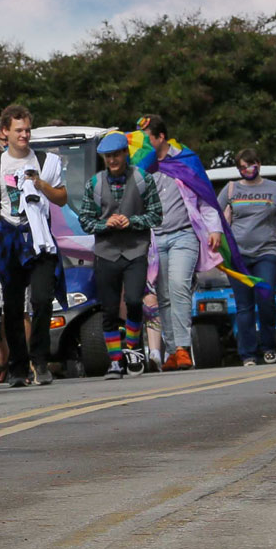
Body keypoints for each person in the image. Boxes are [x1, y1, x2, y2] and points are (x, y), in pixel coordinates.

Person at [0, 105, 68, 387]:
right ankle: (18, 367)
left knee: (42, 300)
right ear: (5, 132)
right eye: (19, 130)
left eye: (27, 130)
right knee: (11, 307)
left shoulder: (46, 160)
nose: (24, 135)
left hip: (39, 238)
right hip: (10, 237)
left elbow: (61, 198)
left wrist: (41, 183)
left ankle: (40, 361)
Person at [141, 115, 224, 371]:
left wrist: (215, 229)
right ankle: (172, 350)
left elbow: (204, 197)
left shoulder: (186, 161)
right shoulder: (143, 166)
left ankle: (183, 348)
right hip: (156, 240)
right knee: (163, 296)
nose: (143, 144)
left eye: (147, 138)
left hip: (184, 235)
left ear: (161, 136)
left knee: (179, 286)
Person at [78, 131, 162, 379]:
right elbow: (85, 220)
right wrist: (105, 224)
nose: (112, 160)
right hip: (106, 253)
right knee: (109, 309)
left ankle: (133, 348)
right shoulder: (94, 184)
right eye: (107, 157)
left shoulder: (142, 179)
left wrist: (132, 221)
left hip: (135, 250)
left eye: (116, 155)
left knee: (135, 300)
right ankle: (115, 361)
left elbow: (156, 215)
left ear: (125, 153)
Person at [219, 148, 276, 366]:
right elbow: (214, 216)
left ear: (258, 164)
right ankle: (248, 354)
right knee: (243, 306)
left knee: (266, 298)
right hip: (238, 256)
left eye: (250, 165)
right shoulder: (231, 189)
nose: (246, 170)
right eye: (242, 167)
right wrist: (222, 223)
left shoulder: (275, 189)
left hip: (266, 253)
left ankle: (269, 346)